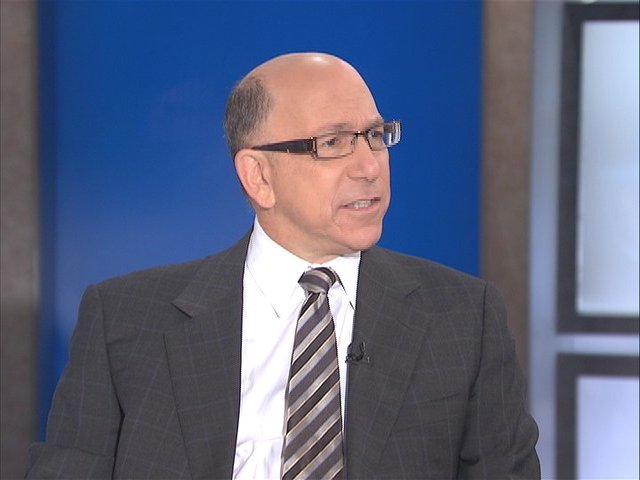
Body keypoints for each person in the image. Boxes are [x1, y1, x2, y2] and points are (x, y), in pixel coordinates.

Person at [27, 52, 540, 479]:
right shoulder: (125, 321)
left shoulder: (463, 317)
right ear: (258, 177)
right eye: (333, 144)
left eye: (376, 135)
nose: (369, 166)